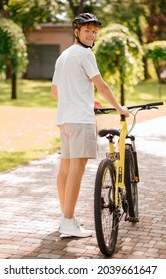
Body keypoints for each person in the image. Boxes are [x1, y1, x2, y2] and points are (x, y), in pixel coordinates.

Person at [51, 13, 129, 238]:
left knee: (65, 170)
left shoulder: (64, 56)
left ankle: (66, 216)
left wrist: (85, 99)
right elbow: (102, 86)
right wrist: (119, 109)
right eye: (87, 31)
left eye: (95, 32)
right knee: (76, 170)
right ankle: (68, 222)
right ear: (76, 32)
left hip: (65, 119)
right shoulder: (85, 54)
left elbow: (55, 92)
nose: (91, 35)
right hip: (81, 121)